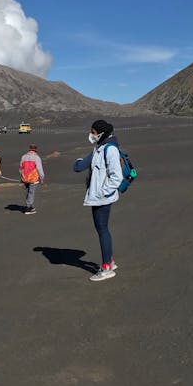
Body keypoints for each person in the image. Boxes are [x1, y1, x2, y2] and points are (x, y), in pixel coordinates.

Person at [73, 119, 123, 281]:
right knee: (102, 229)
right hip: (99, 197)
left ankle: (107, 267)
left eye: (93, 132)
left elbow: (116, 177)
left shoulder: (110, 150)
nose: (91, 135)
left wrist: (103, 192)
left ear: (101, 133)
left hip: (102, 198)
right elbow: (78, 167)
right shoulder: (99, 148)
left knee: (102, 230)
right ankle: (110, 261)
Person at [19, 144, 44, 215]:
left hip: (25, 178)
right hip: (33, 178)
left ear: (29, 150)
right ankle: (28, 208)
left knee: (28, 192)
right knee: (31, 192)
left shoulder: (23, 157)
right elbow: (39, 169)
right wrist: (42, 178)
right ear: (35, 150)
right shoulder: (37, 158)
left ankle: (30, 205)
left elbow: (21, 168)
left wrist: (21, 177)